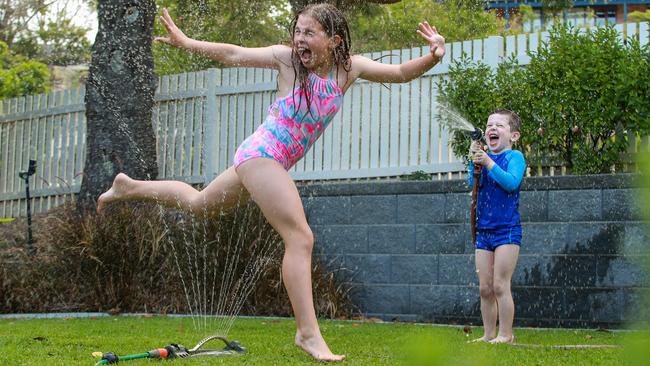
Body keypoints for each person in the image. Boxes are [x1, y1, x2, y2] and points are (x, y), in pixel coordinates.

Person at [98, 3, 445, 361]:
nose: (300, 39)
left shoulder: (348, 69)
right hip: (262, 155)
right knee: (300, 236)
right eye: (298, 31)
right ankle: (308, 334)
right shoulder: (285, 60)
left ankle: (130, 187)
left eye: (309, 33)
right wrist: (188, 43)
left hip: (265, 161)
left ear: (333, 39)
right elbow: (233, 53)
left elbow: (402, 72)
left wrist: (433, 55)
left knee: (200, 205)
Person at [468, 109, 525, 344]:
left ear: (514, 136)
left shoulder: (515, 158)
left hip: (507, 231)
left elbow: (511, 183)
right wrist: (474, 160)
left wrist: (488, 162)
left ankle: (506, 335)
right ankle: (489, 334)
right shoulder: (485, 158)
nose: (492, 128)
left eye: (499, 125)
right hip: (485, 232)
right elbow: (473, 184)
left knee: (501, 285)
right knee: (485, 288)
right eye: (489, 125)